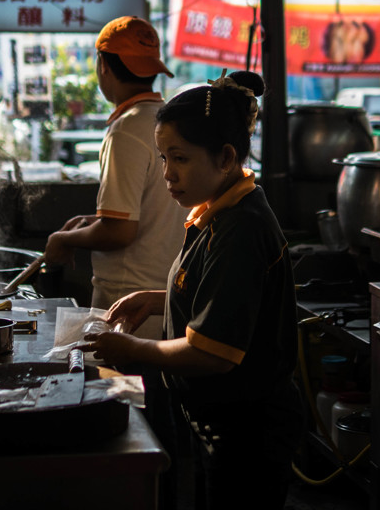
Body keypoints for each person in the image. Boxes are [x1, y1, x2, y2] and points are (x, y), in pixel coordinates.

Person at [81, 69, 305, 510]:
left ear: (224, 157)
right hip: (220, 425)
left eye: (180, 158)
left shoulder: (239, 228)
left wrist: (132, 349)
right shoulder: (218, 211)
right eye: (164, 158)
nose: (168, 175)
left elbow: (214, 353)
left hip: (248, 435)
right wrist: (158, 300)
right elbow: (223, 295)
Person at [42, 16, 186, 339]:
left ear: (104, 67)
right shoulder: (169, 120)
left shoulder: (126, 131)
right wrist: (91, 219)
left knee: (121, 388)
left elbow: (120, 231)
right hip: (166, 305)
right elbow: (145, 209)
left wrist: (63, 240)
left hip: (129, 312)